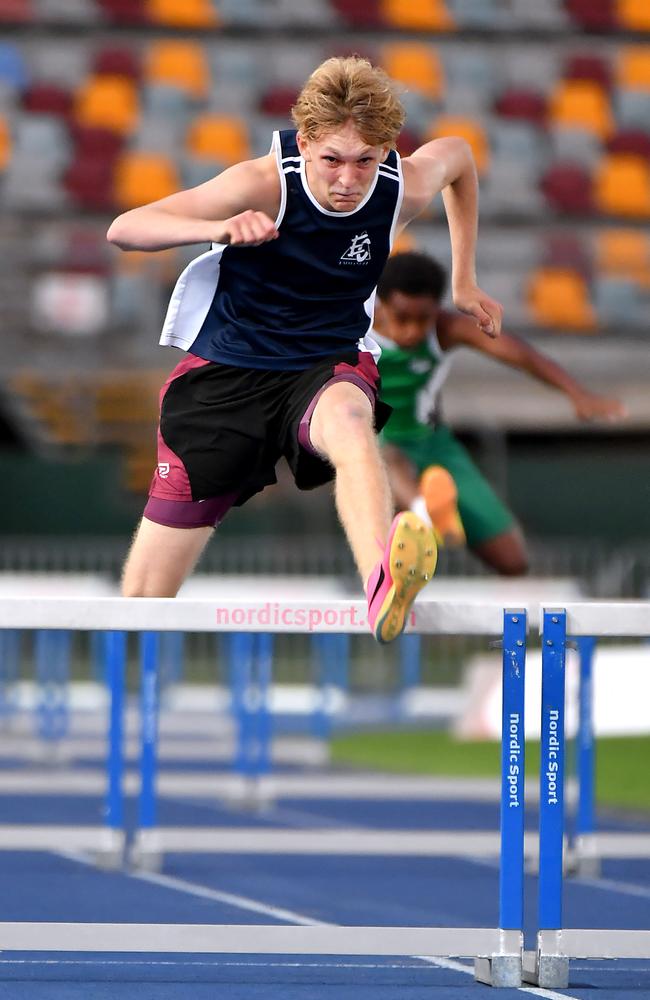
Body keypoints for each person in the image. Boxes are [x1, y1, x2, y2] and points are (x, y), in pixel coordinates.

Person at [107, 55, 503, 642]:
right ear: (306, 141)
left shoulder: (400, 186)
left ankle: (382, 582)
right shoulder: (262, 183)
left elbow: (460, 159)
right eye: (333, 160)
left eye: (366, 161)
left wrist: (463, 279)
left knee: (350, 419)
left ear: (385, 151)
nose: (348, 180)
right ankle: (128, 711)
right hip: (226, 378)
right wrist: (214, 229)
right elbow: (126, 228)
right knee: (144, 599)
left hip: (324, 365)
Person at [374, 250, 627, 575]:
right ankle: (425, 517)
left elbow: (519, 354)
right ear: (380, 304)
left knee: (512, 561)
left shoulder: (447, 328)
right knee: (383, 456)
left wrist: (575, 393)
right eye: (402, 318)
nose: (410, 331)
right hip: (379, 441)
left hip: (434, 445)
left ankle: (430, 521)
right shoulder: (357, 327)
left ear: (436, 310)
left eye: (421, 320)